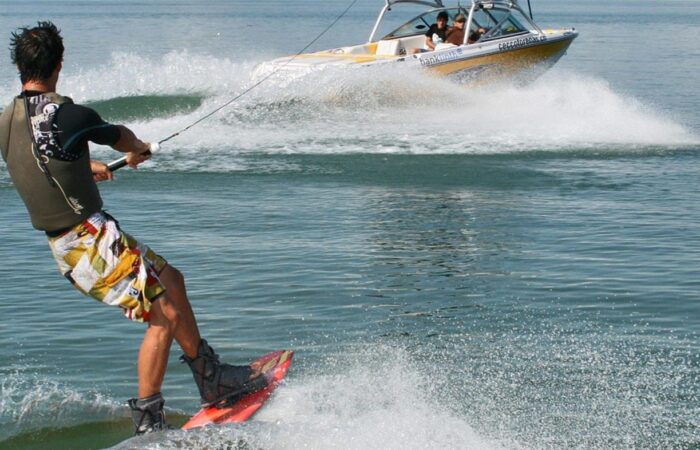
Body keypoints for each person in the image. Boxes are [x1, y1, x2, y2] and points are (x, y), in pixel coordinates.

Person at [0, 22, 267, 435]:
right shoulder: (70, 115)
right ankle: (149, 421)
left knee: (172, 280)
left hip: (81, 239)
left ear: (19, 65)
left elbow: (35, 159)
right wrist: (139, 150)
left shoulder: (7, 120)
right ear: (60, 64)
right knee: (165, 314)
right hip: (87, 243)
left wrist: (83, 168)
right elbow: (121, 138)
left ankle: (210, 377)